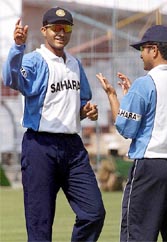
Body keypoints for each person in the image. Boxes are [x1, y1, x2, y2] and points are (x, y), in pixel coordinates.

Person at [2, 6, 105, 242]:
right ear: (44, 31)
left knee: (94, 213)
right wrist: (18, 47)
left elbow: (82, 102)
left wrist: (86, 110)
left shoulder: (75, 65)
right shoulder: (34, 60)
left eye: (66, 28)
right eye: (55, 28)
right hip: (40, 146)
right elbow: (11, 79)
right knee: (40, 224)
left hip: (72, 148)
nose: (61, 32)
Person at [96, 25, 167, 242]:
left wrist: (114, 97)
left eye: (142, 49)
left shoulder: (145, 84)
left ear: (154, 50)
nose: (141, 54)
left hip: (152, 167)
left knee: (138, 235)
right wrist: (133, 98)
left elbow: (125, 128)